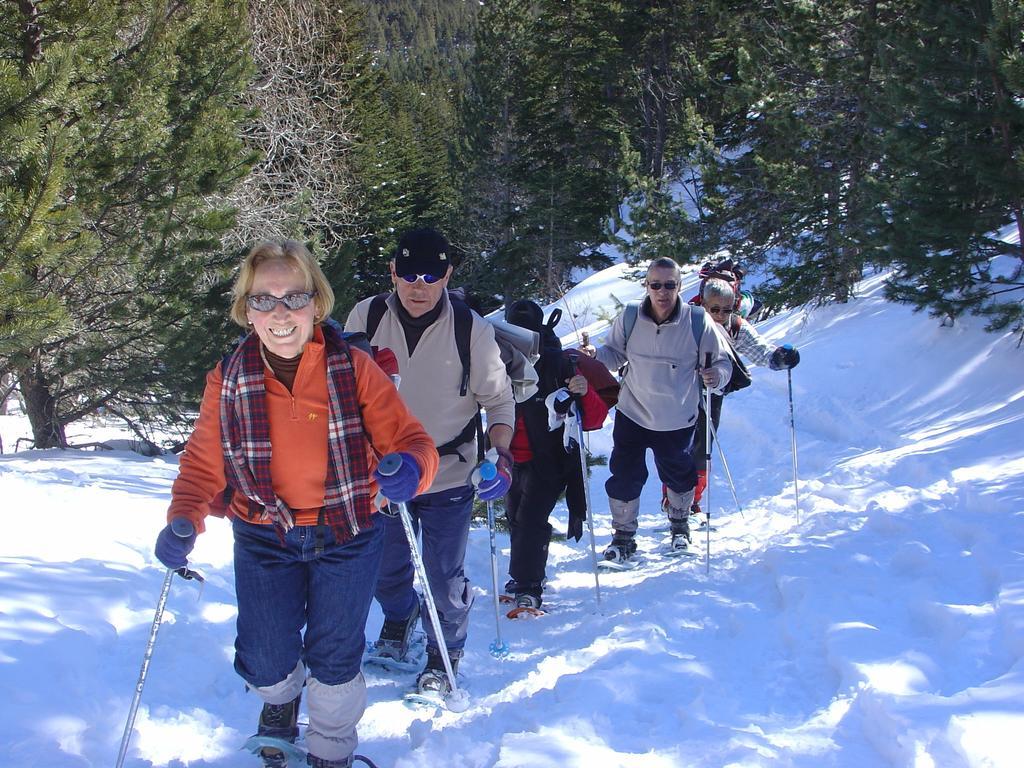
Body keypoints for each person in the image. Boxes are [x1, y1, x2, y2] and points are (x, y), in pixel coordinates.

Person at [153, 240, 439, 768]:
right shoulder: (229, 377)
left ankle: (331, 749)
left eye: (293, 297)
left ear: (317, 303)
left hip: (348, 530)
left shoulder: (353, 367)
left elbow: (412, 443)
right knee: (264, 655)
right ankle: (279, 704)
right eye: (263, 300)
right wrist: (183, 520)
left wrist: (409, 471)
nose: (279, 313)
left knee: (334, 657)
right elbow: (202, 463)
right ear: (246, 309)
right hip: (263, 532)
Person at [344, 227, 515, 699]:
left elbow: (499, 401)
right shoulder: (368, 315)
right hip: (387, 474)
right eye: (410, 274)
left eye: (432, 274)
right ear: (393, 272)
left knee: (443, 573)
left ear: (447, 275)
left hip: (450, 470)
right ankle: (401, 619)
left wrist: (500, 457)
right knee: (385, 568)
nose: (420, 286)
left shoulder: (470, 328)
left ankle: (445, 653)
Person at [582, 257, 732, 560]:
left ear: (679, 285)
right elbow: (614, 355)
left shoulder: (697, 320)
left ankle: (679, 527)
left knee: (679, 475)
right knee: (624, 475)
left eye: (669, 284)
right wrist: (595, 355)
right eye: (656, 284)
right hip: (633, 413)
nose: (662, 291)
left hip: (677, 417)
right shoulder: (630, 317)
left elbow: (722, 363)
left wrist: (716, 376)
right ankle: (623, 537)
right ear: (646, 286)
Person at [503, 300, 609, 610]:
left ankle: (528, 583)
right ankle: (524, 576)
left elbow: (593, 419)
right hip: (508, 457)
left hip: (547, 461)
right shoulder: (498, 360)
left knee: (530, 519)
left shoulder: (559, 364)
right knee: (516, 519)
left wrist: (583, 390)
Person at [688, 277, 800, 517]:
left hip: (713, 390)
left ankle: (691, 503)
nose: (719, 315)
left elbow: (761, 352)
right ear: (703, 304)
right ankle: (675, 504)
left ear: (734, 307)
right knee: (677, 447)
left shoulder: (735, 326)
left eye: (726, 310)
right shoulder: (687, 321)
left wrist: (780, 358)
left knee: (702, 447)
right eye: (714, 309)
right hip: (679, 390)